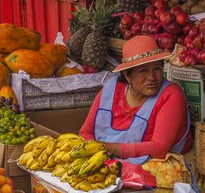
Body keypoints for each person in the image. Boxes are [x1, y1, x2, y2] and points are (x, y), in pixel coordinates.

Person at [80, 35, 192, 164]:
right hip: (106, 162)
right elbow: (85, 132)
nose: (151, 77)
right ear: (128, 75)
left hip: (157, 172)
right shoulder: (111, 90)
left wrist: (106, 148)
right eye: (143, 71)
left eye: (157, 69)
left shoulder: (171, 95)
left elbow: (158, 149)